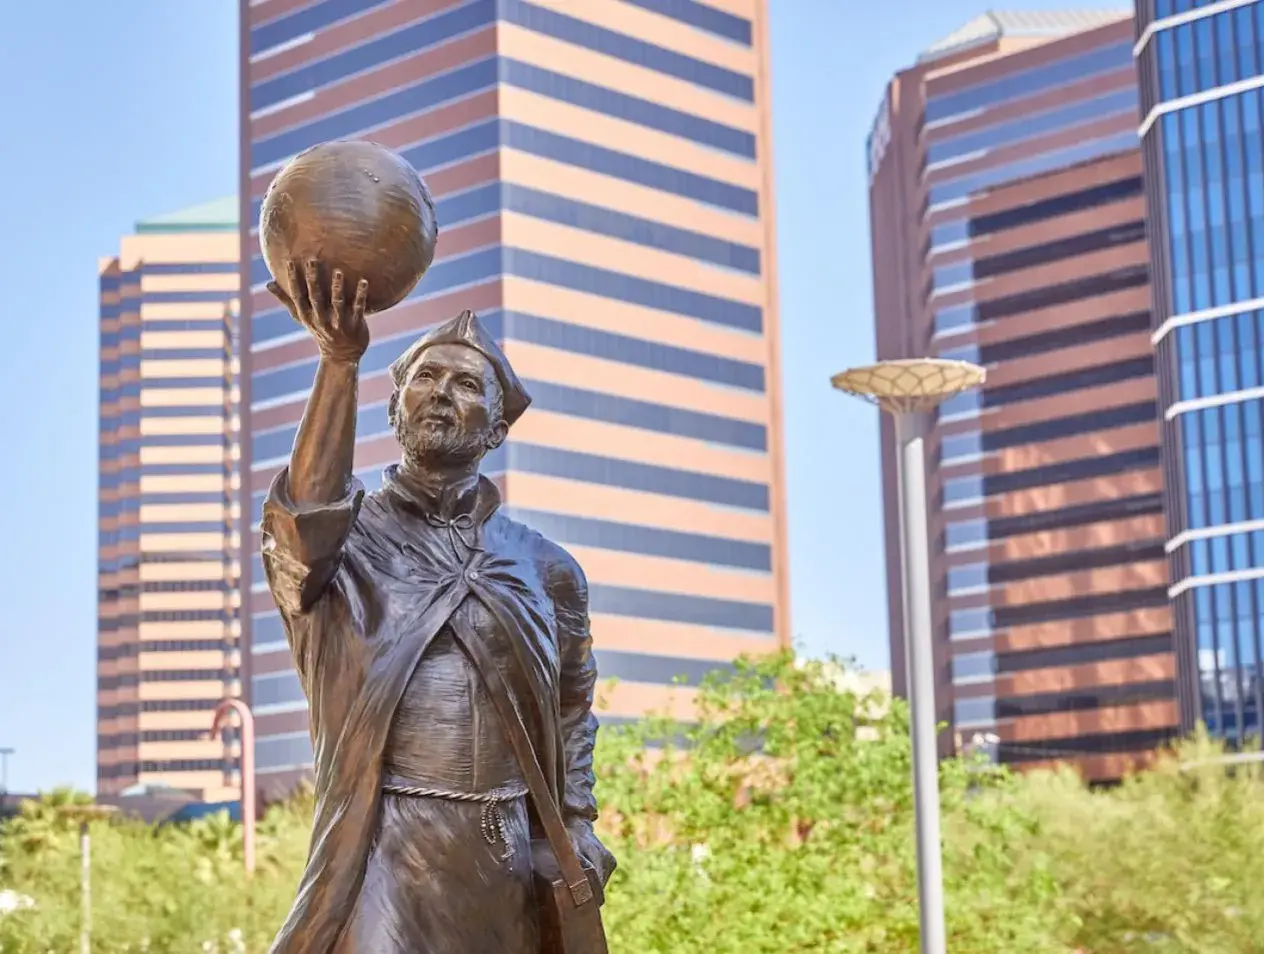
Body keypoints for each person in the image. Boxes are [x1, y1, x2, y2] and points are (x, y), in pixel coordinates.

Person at [259, 261, 616, 954]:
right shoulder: (347, 543)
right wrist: (339, 361)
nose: (442, 393)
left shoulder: (547, 569)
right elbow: (301, 522)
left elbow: (573, 706)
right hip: (382, 851)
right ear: (394, 409)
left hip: (506, 858)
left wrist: (576, 820)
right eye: (425, 378)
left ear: (497, 429)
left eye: (467, 384)